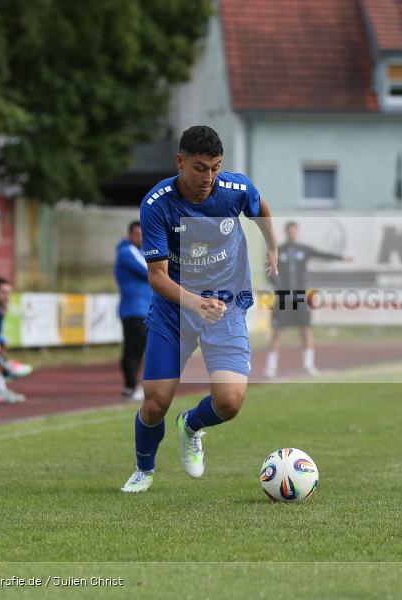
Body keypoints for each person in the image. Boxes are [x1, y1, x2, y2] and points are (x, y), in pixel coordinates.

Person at [120, 125, 278, 493]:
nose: (209, 178)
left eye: (215, 168)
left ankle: (191, 425)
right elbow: (157, 277)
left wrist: (272, 247)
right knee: (155, 402)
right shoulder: (157, 205)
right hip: (174, 311)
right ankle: (144, 470)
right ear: (180, 162)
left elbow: (261, 209)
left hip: (226, 306)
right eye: (200, 168)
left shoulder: (235, 189)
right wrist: (195, 302)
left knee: (230, 402)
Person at [263, 221, 352, 378]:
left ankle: (308, 366)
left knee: (306, 331)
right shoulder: (279, 250)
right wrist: (276, 284)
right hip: (283, 297)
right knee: (276, 333)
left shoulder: (303, 250)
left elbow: (322, 255)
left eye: (294, 230)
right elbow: (268, 270)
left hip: (299, 296)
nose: (292, 233)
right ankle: (270, 368)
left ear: (297, 232)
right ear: (286, 232)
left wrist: (341, 257)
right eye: (290, 231)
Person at [114, 221, 151, 402]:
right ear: (130, 235)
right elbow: (151, 270)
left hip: (145, 309)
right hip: (134, 309)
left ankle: (131, 386)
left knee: (137, 348)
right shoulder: (127, 251)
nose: (141, 237)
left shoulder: (141, 252)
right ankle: (132, 386)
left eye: (143, 234)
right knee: (136, 348)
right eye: (137, 234)